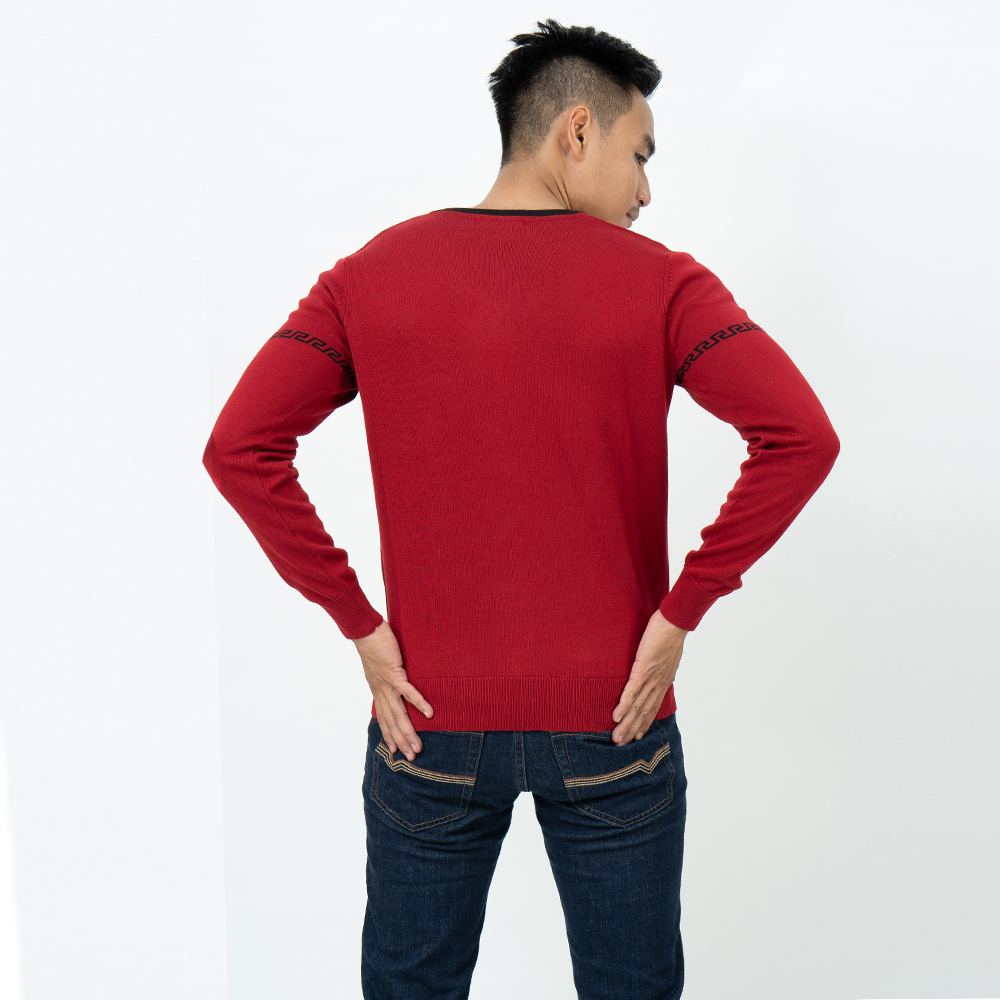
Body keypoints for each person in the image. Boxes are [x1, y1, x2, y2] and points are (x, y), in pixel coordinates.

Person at [202, 17, 840, 1000]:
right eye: (640, 155)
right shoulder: (664, 284)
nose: (646, 191)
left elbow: (238, 447)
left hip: (427, 719)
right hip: (614, 716)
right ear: (577, 132)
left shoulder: (367, 278)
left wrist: (360, 624)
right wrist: (681, 612)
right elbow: (803, 435)